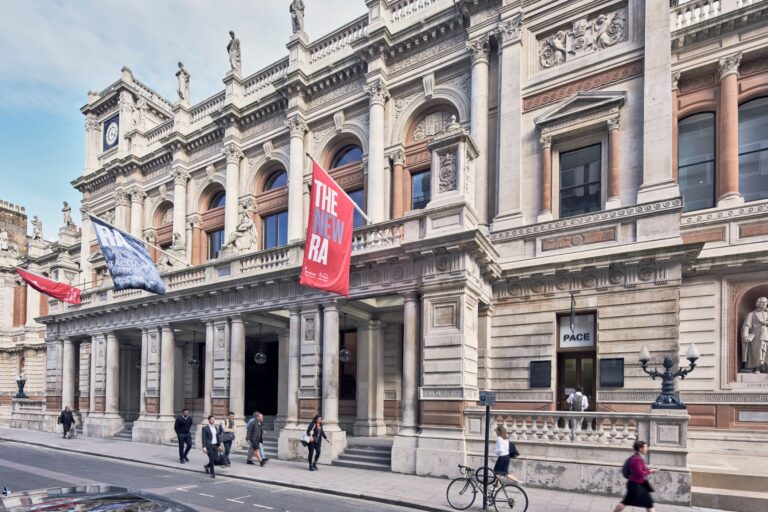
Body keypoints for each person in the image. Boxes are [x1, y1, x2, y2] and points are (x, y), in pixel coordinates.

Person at [613, 440, 657, 512]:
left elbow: (638, 471)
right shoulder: (637, 459)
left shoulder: (635, 457)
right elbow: (639, 473)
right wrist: (650, 471)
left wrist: (646, 470)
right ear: (640, 448)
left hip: (635, 484)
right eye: (645, 447)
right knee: (649, 504)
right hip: (637, 485)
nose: (647, 449)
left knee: (625, 502)